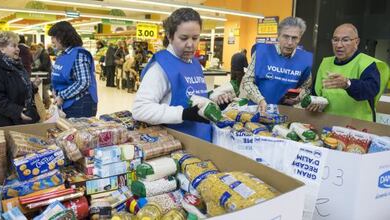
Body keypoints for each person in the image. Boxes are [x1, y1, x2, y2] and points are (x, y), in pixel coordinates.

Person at [132, 8, 230, 142]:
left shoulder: (195, 63)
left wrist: (214, 102)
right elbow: (140, 109)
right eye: (183, 38)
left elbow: (192, 96)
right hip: (177, 147)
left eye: (195, 38)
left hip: (202, 142)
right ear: (169, 36)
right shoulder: (160, 67)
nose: (190, 44)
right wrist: (183, 114)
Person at [310, 23, 389, 121]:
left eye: (345, 40)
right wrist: (313, 103)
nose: (339, 45)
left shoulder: (367, 64)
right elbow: (316, 93)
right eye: (335, 40)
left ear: (356, 42)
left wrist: (348, 84)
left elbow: (370, 91)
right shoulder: (325, 63)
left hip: (358, 127)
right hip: (328, 125)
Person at [239, 17, 313, 114]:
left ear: (299, 38)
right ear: (278, 36)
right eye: (286, 36)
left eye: (294, 38)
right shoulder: (262, 53)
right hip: (257, 111)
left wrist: (299, 97)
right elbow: (247, 81)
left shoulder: (304, 60)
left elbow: (306, 88)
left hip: (284, 114)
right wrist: (260, 100)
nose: (290, 42)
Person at [0, 31, 41, 129]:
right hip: (4, 124)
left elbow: (17, 87)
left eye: (17, 46)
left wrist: (33, 86)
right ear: (2, 49)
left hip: (21, 121)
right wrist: (17, 111)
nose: (18, 49)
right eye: (14, 46)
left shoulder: (17, 65)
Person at [48, 21, 98, 118]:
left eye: (53, 37)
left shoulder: (79, 54)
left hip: (80, 105)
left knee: (78, 132)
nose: (52, 40)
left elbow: (83, 82)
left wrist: (62, 95)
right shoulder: (63, 55)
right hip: (67, 103)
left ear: (62, 36)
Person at [31, 43, 52, 108]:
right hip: (45, 74)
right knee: (44, 90)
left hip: (46, 75)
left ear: (37, 48)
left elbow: (44, 66)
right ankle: (47, 104)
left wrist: (34, 69)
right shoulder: (42, 53)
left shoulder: (44, 54)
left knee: (45, 90)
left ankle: (48, 105)